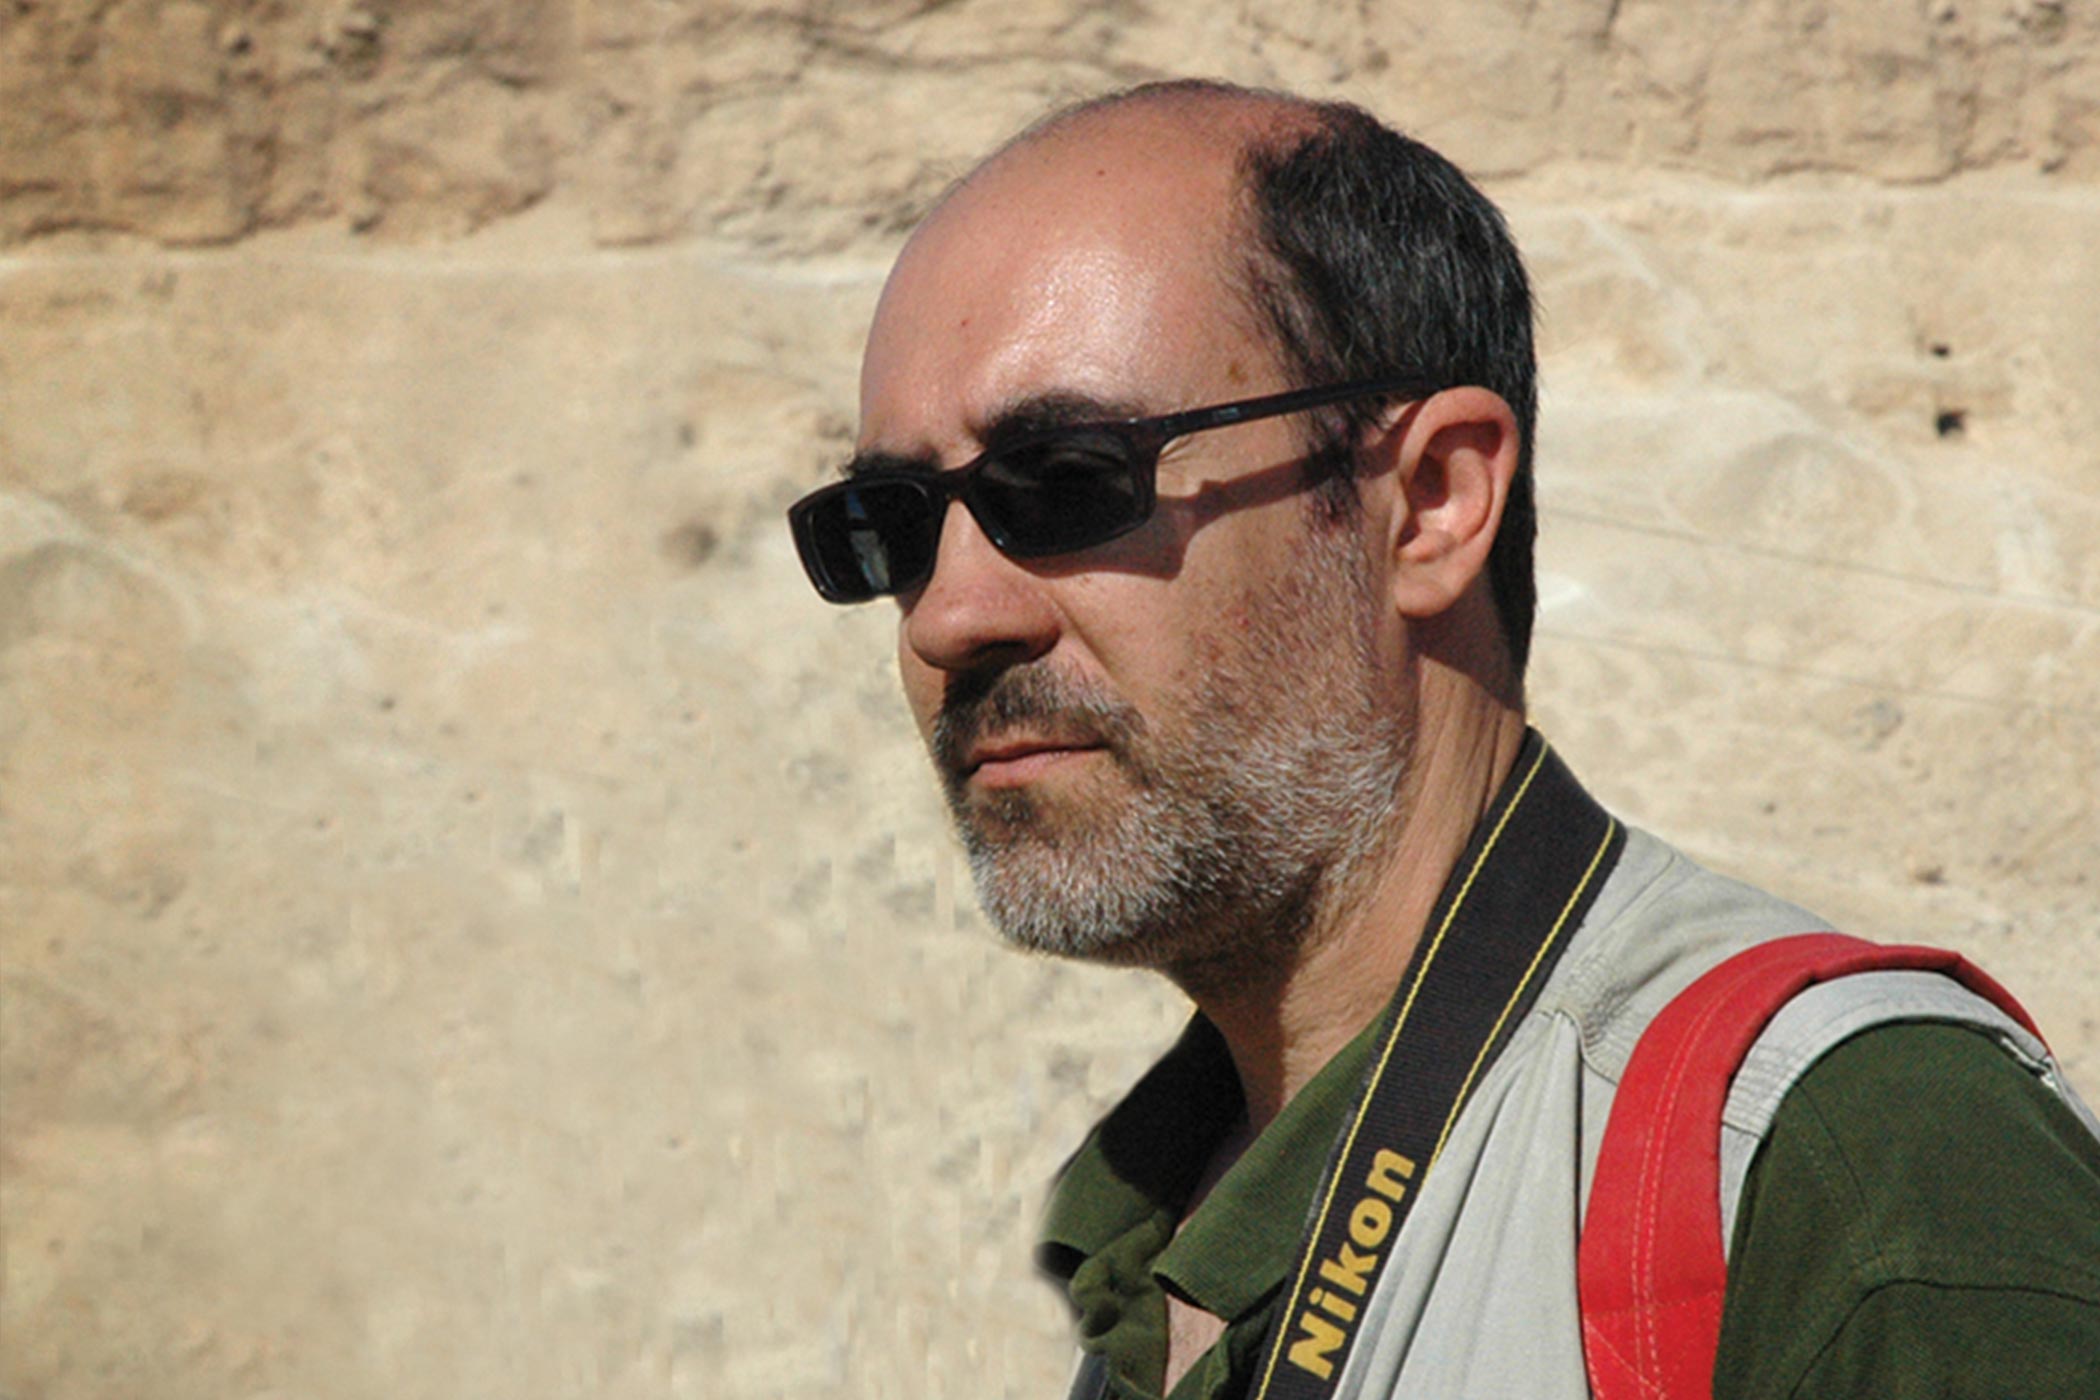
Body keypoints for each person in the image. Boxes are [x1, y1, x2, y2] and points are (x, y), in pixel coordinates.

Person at [785, 80, 2100, 1399]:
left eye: (1067, 480)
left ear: (1430, 502)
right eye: (888, 526)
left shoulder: (1857, 1174)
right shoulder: (1154, 1226)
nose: (950, 616)